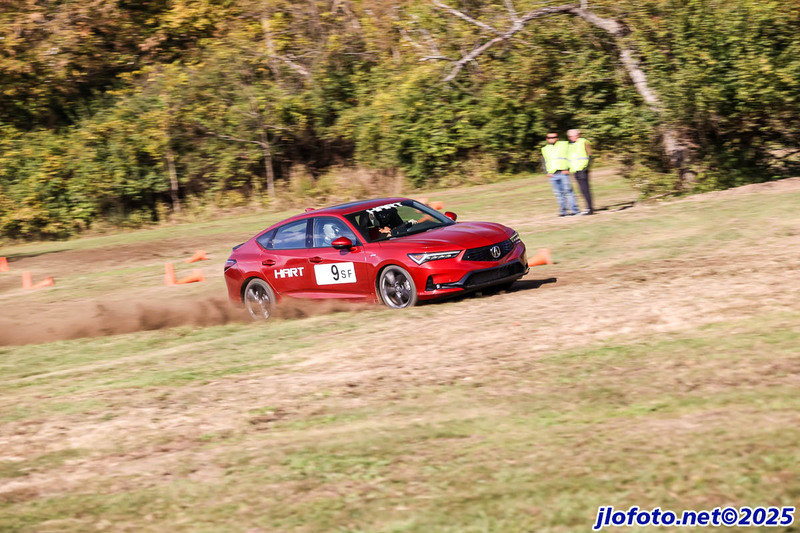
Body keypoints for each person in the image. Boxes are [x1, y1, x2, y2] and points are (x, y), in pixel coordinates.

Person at [541, 132, 579, 217]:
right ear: (547, 139)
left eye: (554, 137)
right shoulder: (545, 149)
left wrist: (568, 168)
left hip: (563, 173)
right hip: (553, 175)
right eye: (549, 137)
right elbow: (544, 161)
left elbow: (572, 155)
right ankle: (563, 212)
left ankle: (574, 210)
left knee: (568, 192)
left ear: (557, 138)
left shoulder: (564, 144)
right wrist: (546, 172)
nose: (552, 139)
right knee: (558, 194)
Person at [567, 128, 594, 215]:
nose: (573, 137)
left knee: (585, 189)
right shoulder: (569, 145)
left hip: (583, 169)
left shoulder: (583, 142)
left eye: (575, 135)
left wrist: (587, 167)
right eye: (571, 136)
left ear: (578, 135)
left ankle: (590, 208)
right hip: (575, 170)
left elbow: (590, 155)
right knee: (582, 190)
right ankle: (587, 207)